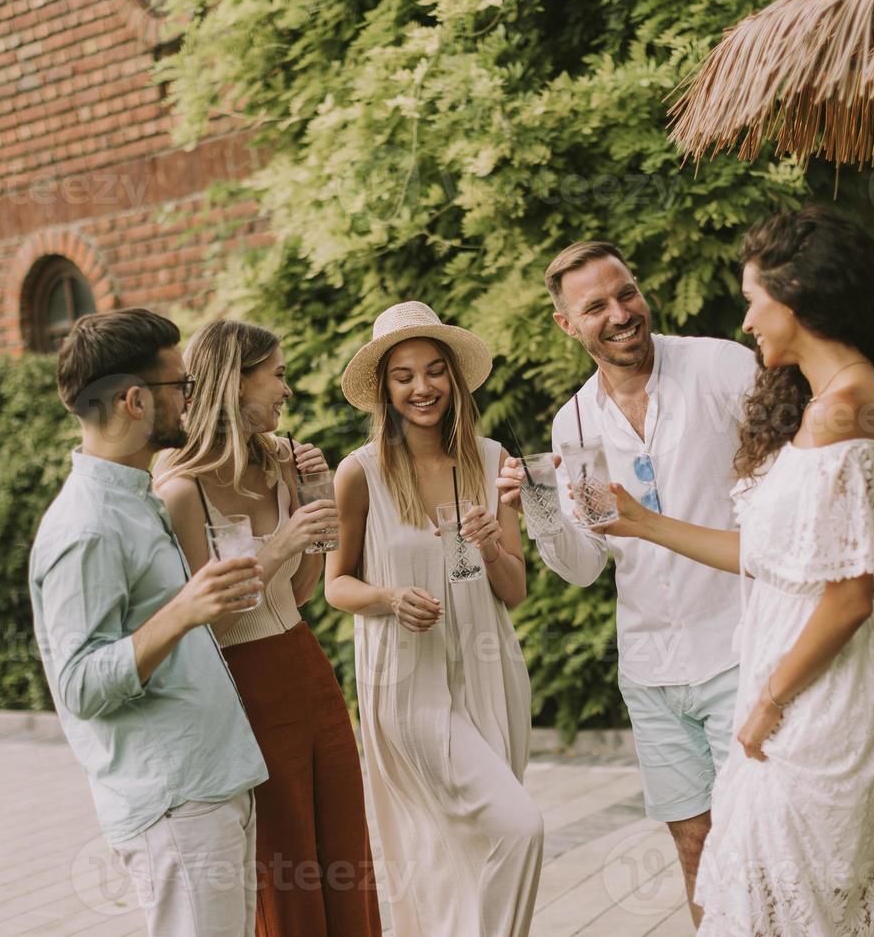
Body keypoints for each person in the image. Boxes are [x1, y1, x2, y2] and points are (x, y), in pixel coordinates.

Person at [596, 207, 874, 935]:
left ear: (797, 293)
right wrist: (642, 521)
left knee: (793, 914)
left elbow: (849, 598)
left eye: (753, 299)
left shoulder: (845, 410)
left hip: (819, 704)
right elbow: (770, 561)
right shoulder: (824, 404)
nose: (747, 322)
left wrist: (770, 702)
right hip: (789, 695)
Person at [497, 240, 754, 925]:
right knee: (693, 841)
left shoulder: (722, 367)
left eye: (626, 293)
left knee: (757, 837)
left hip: (741, 645)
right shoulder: (574, 422)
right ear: (567, 326)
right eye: (597, 306)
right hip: (652, 667)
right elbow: (584, 565)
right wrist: (540, 507)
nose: (620, 313)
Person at [29, 308, 268, 937]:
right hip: (175, 802)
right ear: (136, 400)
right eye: (181, 387)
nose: (191, 401)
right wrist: (183, 611)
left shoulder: (134, 499)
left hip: (211, 783)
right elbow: (79, 685)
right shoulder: (86, 527)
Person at [153, 320, 381, 937]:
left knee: (343, 849)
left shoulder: (281, 460)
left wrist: (311, 501)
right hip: (242, 687)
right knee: (284, 860)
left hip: (307, 670)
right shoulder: (180, 489)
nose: (286, 389)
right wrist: (278, 546)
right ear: (237, 379)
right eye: (276, 374)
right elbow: (204, 623)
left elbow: (303, 593)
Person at [324, 301, 543, 937]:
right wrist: (388, 598)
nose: (422, 388)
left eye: (434, 370)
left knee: (468, 858)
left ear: (453, 377)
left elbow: (516, 589)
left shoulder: (491, 457)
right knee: (518, 827)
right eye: (404, 375)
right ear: (385, 390)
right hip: (408, 683)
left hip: (489, 672)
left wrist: (491, 545)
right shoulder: (358, 474)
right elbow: (336, 585)